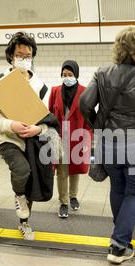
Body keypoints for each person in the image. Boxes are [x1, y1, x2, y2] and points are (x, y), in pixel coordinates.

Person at [80, 27, 135, 264]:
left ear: (117, 47)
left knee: (118, 189)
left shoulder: (101, 74)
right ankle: (118, 245)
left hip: (110, 143)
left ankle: (123, 239)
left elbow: (85, 103)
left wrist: (98, 125)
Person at [0, 32, 58, 240]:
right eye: (20, 55)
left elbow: (46, 120)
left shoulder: (41, 87)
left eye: (28, 56)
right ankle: (18, 196)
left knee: (31, 182)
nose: (24, 59)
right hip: (9, 139)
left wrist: (38, 130)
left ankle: (24, 222)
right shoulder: (0, 81)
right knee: (21, 169)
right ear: (11, 56)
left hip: (33, 141)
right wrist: (12, 125)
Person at [49, 60, 92, 219]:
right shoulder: (55, 91)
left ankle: (73, 195)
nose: (67, 77)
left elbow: (89, 118)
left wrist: (87, 140)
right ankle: (64, 202)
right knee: (62, 170)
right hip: (60, 136)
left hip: (77, 137)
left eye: (70, 74)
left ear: (76, 75)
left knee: (75, 169)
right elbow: (50, 114)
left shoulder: (85, 91)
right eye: (64, 74)